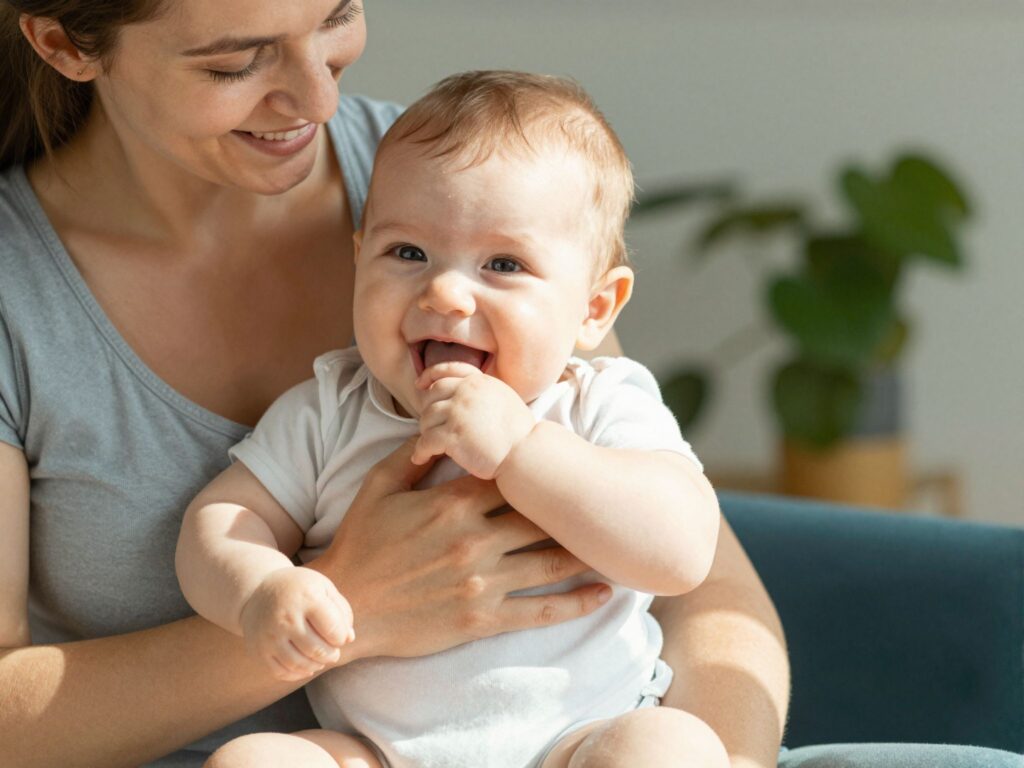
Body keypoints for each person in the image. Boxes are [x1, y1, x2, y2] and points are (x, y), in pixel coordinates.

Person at [3, 2, 1012, 768]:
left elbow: (694, 570)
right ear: (65, 43)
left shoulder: (472, 178)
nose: (317, 100)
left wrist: (697, 749)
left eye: (338, 15)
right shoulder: (334, 392)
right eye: (235, 60)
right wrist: (320, 608)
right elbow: (226, 523)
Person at [175, 69, 728, 768]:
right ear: (359, 258)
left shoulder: (595, 402)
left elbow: (681, 551)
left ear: (595, 308)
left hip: (581, 743)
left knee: (671, 747)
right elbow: (221, 521)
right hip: (375, 752)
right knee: (254, 762)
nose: (443, 292)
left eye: (503, 264)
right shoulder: (332, 407)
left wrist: (523, 448)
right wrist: (259, 589)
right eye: (407, 253)